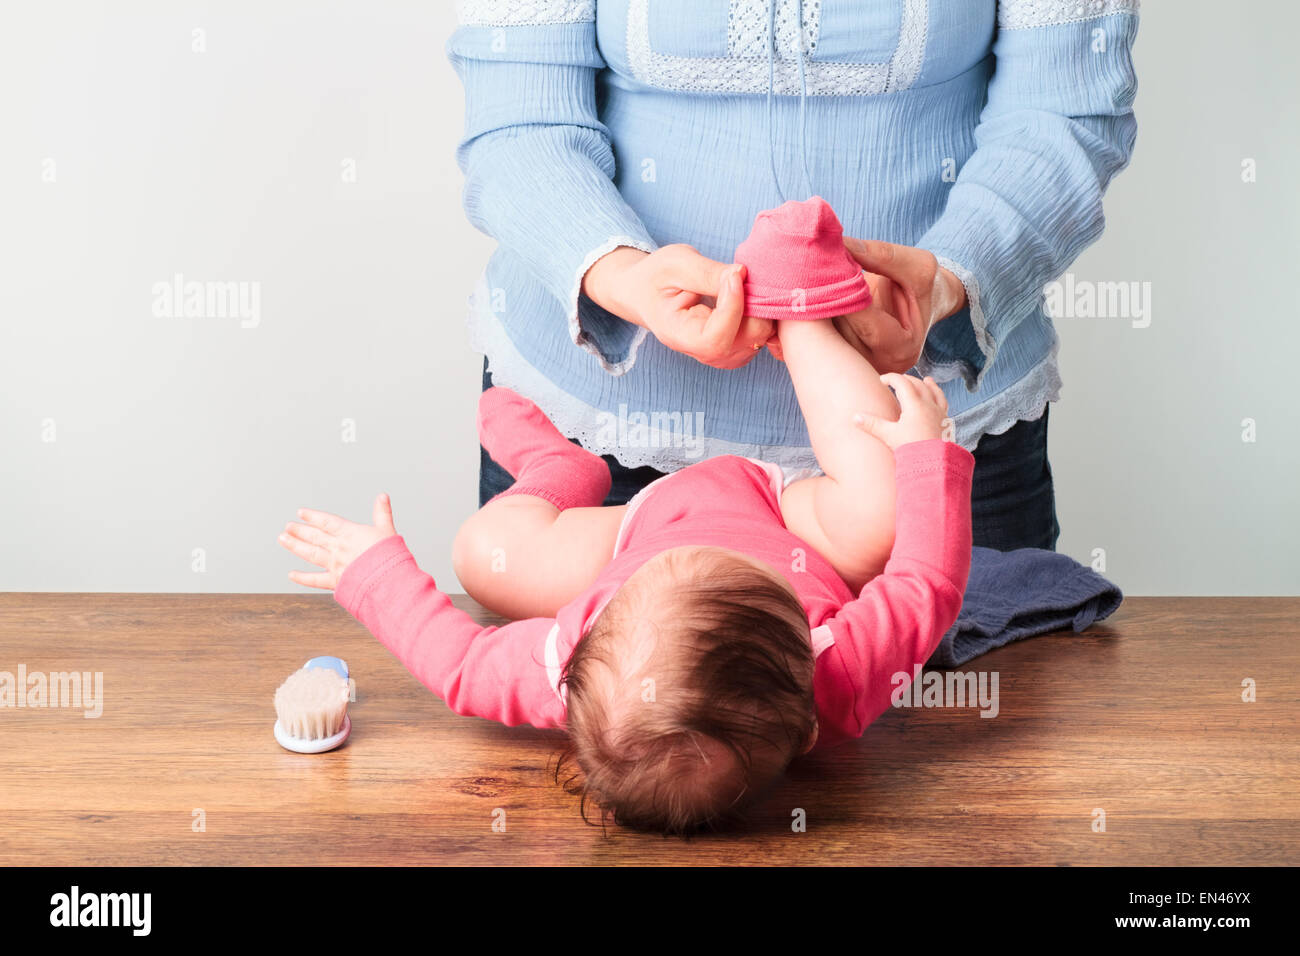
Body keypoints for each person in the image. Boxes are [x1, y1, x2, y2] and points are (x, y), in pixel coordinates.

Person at [451, 0, 1141, 551]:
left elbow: (1063, 114)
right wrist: (627, 279)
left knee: (967, 720)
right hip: (603, 446)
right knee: (592, 714)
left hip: (928, 441)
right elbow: (518, 120)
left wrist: (950, 282)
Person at [278, 314, 973, 834]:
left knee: (481, 553)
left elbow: (458, 664)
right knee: (883, 512)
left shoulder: (567, 669)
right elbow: (925, 584)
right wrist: (924, 455)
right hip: (785, 516)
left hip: (638, 528)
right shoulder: (836, 675)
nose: (691, 556)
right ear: (809, 726)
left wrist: (370, 572)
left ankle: (560, 472)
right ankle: (804, 313)